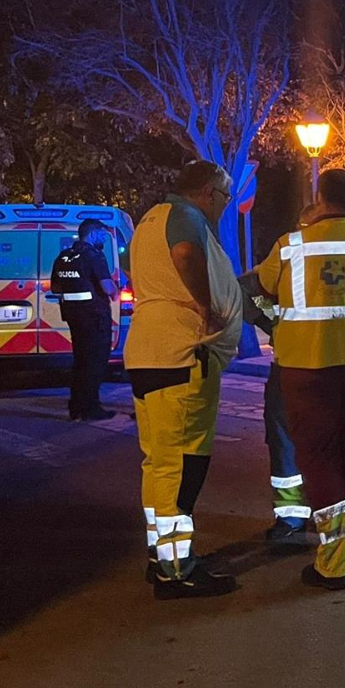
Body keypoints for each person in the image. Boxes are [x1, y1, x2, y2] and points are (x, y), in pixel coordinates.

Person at [250, 168, 345, 590]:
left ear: (320, 198)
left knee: (320, 459)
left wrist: (277, 322)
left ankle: (335, 563)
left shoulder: (291, 246)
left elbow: (262, 290)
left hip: (309, 367)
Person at [124, 160, 245, 600]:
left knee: (158, 462)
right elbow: (186, 255)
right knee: (183, 464)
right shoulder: (187, 217)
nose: (225, 205)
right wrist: (205, 306)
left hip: (146, 350)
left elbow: (132, 267)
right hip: (181, 353)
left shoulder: (149, 221)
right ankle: (177, 570)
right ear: (209, 192)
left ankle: (161, 556)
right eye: (225, 197)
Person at [236, 202, 319, 546]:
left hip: (292, 365)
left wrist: (271, 324)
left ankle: (292, 516)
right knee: (317, 441)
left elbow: (244, 289)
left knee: (286, 440)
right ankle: (317, 513)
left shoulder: (288, 254)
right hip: (336, 365)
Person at [49, 219, 117, 422]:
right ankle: (91, 408)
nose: (104, 238)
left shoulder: (64, 257)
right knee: (95, 363)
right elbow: (108, 288)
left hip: (73, 316)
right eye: (102, 234)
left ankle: (76, 407)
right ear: (93, 234)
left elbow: (55, 287)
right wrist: (115, 288)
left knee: (80, 361)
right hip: (95, 317)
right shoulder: (94, 256)